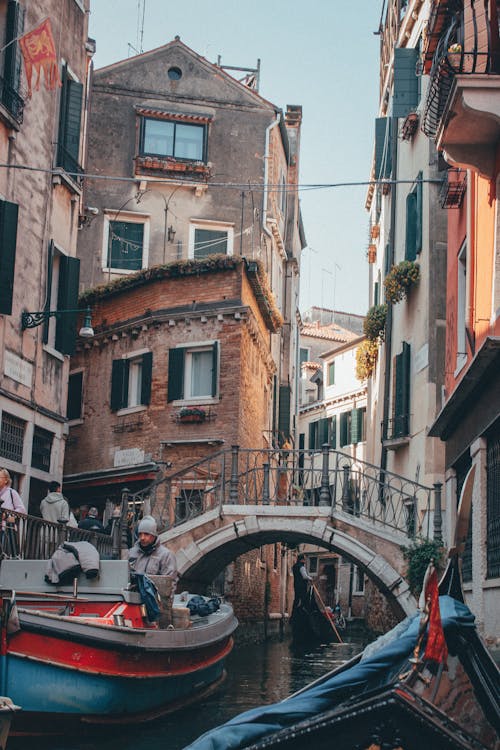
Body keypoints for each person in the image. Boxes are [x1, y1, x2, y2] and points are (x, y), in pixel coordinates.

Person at [0, 468, 26, 557]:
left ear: (6, 480)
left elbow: (22, 510)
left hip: (6, 529)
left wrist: (7, 516)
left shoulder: (12, 493)